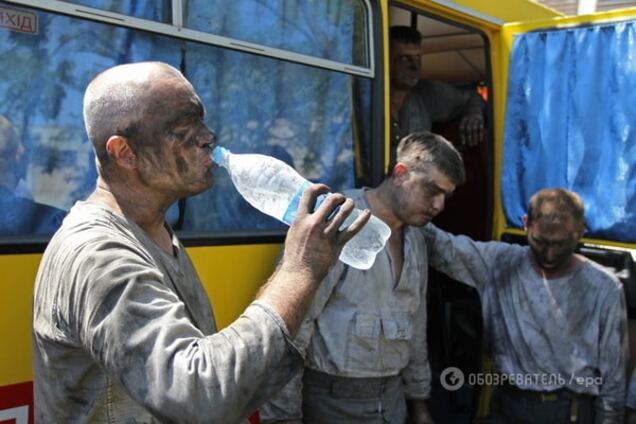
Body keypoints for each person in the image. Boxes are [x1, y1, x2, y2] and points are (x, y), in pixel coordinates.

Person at [31, 61, 370, 424]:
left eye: (202, 122)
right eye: (183, 129)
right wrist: (300, 269)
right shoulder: (97, 254)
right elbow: (198, 395)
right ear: (124, 152)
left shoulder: (152, 229)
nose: (208, 137)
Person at [260, 131, 466, 424]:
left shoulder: (416, 239)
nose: (439, 206)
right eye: (432, 190)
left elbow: (416, 324)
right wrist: (283, 416)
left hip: (393, 401)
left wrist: (419, 403)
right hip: (332, 402)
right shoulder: (337, 223)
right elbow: (291, 325)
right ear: (400, 173)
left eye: (446, 196)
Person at [423, 188, 627, 423]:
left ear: (581, 231)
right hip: (506, 407)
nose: (549, 255)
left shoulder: (604, 288)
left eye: (561, 244)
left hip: (569, 413)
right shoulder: (500, 263)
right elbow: (439, 247)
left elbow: (613, 380)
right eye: (540, 242)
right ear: (526, 224)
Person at [389, 25, 485, 165]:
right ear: (385, 59)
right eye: (405, 59)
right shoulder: (366, 95)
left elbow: (471, 97)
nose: (414, 67)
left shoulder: (427, 93)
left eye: (417, 58)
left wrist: (474, 113)